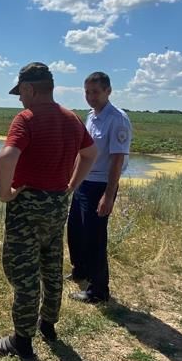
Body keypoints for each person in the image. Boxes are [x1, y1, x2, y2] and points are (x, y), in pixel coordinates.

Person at [0, 62, 98, 358]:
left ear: (29, 88)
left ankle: (21, 341)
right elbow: (90, 154)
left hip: (27, 206)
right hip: (58, 204)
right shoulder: (72, 119)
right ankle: (47, 323)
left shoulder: (26, 118)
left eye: (21, 94)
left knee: (23, 274)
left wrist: (5, 193)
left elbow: (6, 156)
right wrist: (72, 184)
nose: (20, 100)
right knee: (51, 265)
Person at [67, 71, 133, 304]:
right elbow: (83, 153)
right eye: (87, 92)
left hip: (101, 185)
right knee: (75, 230)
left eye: (95, 92)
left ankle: (98, 289)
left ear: (108, 91)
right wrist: (72, 182)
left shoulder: (118, 119)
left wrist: (108, 195)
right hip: (84, 182)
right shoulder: (90, 117)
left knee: (94, 236)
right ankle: (80, 271)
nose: (91, 97)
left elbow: (117, 159)